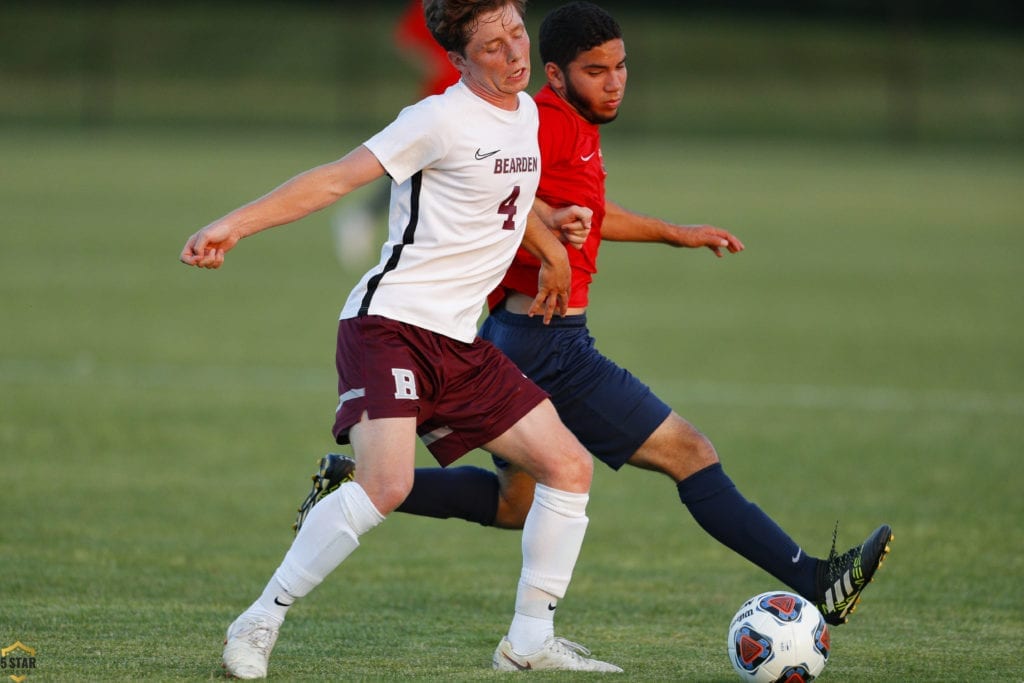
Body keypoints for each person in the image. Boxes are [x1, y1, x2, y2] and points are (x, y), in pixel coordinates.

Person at [299, 0, 893, 635]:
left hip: (512, 336)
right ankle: (815, 581)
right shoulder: (543, 123)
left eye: (620, 66)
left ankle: (356, 485)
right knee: (690, 453)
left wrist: (674, 232)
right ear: (555, 75)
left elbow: (573, 210)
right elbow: (504, 197)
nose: (613, 82)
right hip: (550, 343)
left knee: (515, 506)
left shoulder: (571, 125)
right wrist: (552, 251)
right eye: (595, 69)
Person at [180, 0, 622, 676]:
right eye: (494, 47)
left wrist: (549, 226)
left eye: (516, 35)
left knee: (568, 467)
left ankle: (528, 640)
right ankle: (259, 620)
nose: (514, 54)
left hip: (461, 343)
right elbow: (334, 179)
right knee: (385, 483)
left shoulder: (528, 116)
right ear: (458, 59)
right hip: (390, 326)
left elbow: (505, 195)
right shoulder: (435, 119)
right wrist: (234, 224)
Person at [332, 0, 461, 268]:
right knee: (411, 165)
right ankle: (363, 216)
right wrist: (436, 64)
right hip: (443, 95)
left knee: (429, 169)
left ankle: (364, 216)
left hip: (474, 94)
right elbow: (405, 35)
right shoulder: (430, 3)